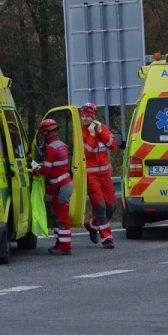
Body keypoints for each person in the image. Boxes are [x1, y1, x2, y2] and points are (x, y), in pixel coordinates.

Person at [31, 119, 73, 256]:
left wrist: (35, 170)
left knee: (61, 217)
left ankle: (65, 247)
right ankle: (60, 244)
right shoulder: (62, 145)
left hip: (60, 186)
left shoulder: (50, 148)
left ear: (46, 133)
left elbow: (47, 170)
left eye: (43, 134)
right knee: (59, 216)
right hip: (63, 185)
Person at [80, 102, 118, 249]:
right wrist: (91, 134)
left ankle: (91, 224)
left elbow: (113, 145)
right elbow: (86, 153)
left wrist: (100, 131)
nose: (84, 119)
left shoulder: (103, 129)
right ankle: (107, 238)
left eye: (87, 116)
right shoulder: (79, 133)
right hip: (91, 176)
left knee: (111, 206)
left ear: (93, 117)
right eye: (82, 116)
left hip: (106, 175)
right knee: (100, 207)